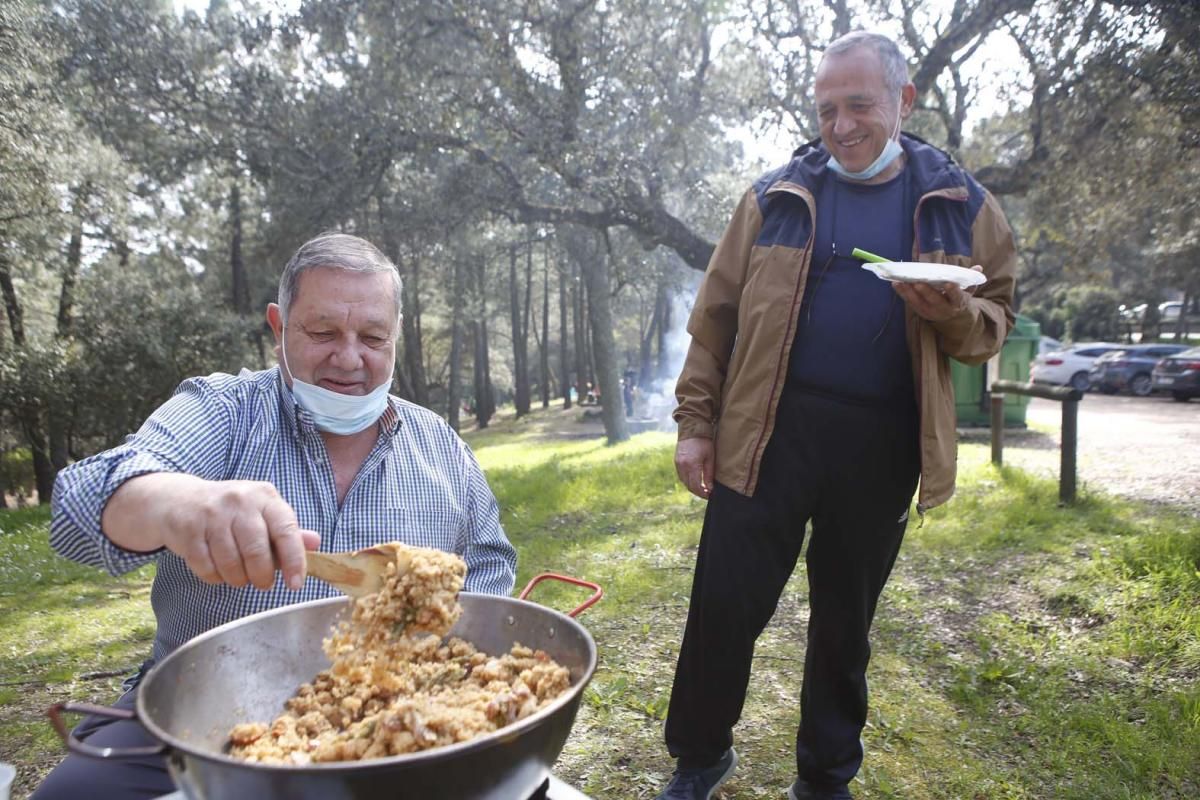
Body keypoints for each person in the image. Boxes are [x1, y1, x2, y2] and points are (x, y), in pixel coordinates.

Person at [656, 31, 1016, 800]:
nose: (843, 125)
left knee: (843, 627)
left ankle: (824, 777)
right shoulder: (775, 196)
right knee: (724, 606)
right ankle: (699, 757)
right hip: (765, 434)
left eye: (860, 105)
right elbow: (714, 318)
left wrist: (951, 315)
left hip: (881, 446)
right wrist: (696, 424)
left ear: (904, 100)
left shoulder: (964, 206)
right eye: (828, 110)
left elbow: (995, 323)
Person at [34, 233, 517, 800]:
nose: (348, 357)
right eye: (322, 332)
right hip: (203, 718)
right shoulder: (223, 411)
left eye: (372, 337)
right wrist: (176, 504)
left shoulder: (442, 448)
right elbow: (78, 504)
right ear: (278, 327)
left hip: (400, 715)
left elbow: (489, 581)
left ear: (396, 340)